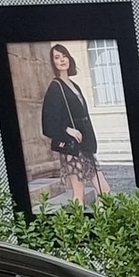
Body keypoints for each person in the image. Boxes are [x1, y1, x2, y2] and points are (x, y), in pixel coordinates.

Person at [39, 43, 111, 207]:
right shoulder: (55, 87)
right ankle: (80, 229)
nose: (62, 60)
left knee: (104, 190)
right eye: (57, 57)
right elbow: (48, 120)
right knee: (79, 194)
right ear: (53, 63)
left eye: (64, 55)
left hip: (84, 146)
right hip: (72, 149)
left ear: (69, 58)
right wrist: (67, 129)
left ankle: (99, 225)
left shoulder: (74, 85)